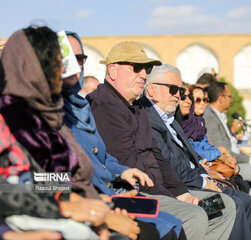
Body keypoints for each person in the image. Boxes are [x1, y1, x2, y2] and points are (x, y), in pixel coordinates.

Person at [0, 26, 155, 240]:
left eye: (71, 62)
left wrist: (97, 204)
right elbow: (15, 184)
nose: (65, 71)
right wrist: (73, 207)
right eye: (54, 64)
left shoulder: (47, 114)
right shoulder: (13, 115)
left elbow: (49, 178)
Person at [88, 41, 236, 240]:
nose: (143, 74)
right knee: (195, 215)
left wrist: (181, 193)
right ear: (113, 70)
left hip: (159, 190)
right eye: (137, 68)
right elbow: (130, 167)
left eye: (147, 68)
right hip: (134, 194)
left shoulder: (137, 106)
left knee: (224, 208)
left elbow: (157, 156)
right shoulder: (105, 105)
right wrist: (173, 197)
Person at [61, 31, 184, 240]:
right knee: (162, 229)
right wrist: (83, 206)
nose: (144, 75)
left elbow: (100, 156)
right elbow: (29, 182)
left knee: (172, 225)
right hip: (77, 204)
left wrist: (121, 171)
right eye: (65, 59)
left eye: (80, 59)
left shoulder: (77, 107)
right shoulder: (30, 114)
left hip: (104, 196)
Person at [140, 63, 251, 240]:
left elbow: (190, 156)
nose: (178, 96)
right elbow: (170, 165)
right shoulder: (148, 118)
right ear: (151, 89)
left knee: (245, 199)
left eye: (181, 91)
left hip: (196, 180)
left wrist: (207, 174)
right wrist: (205, 182)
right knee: (231, 205)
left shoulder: (170, 118)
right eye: (173, 89)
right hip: (182, 189)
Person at [203, 81, 251, 204]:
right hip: (229, 164)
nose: (232, 100)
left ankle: (249, 206)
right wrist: (250, 160)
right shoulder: (209, 116)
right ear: (221, 98)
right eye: (230, 96)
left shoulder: (218, 115)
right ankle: (247, 206)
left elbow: (229, 143)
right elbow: (221, 148)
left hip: (234, 160)